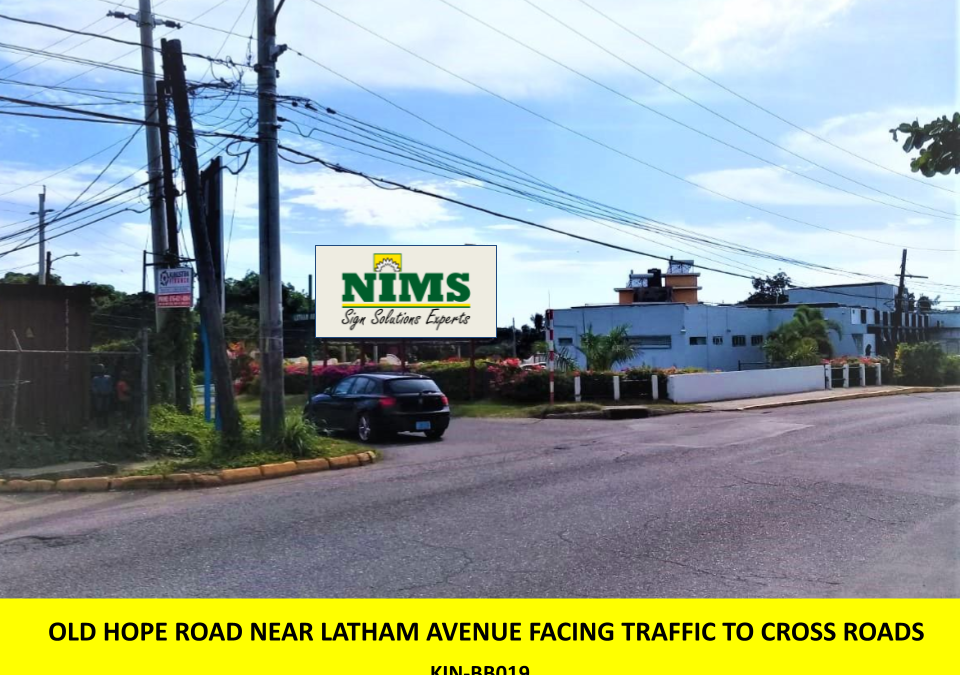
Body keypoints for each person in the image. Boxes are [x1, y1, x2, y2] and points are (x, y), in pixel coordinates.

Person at [91, 364, 114, 429]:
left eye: (102, 369)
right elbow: (93, 387)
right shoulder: (95, 378)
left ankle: (106, 424)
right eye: (99, 369)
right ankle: (99, 424)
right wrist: (97, 392)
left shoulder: (108, 377)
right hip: (99, 396)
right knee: (99, 409)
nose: (101, 370)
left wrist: (108, 392)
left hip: (106, 396)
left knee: (106, 409)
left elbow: (110, 386)